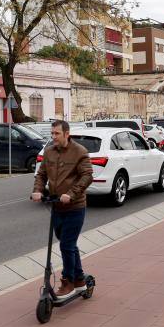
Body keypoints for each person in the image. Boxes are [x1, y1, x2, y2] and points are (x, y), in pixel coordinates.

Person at [31, 120, 94, 299]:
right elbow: (41, 174)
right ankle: (80, 278)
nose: (53, 137)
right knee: (69, 245)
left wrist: (71, 194)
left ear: (67, 134)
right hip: (56, 206)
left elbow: (87, 176)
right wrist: (37, 190)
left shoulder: (79, 152)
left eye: (56, 134)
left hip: (75, 206)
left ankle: (68, 281)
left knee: (66, 245)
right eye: (52, 134)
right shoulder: (49, 151)